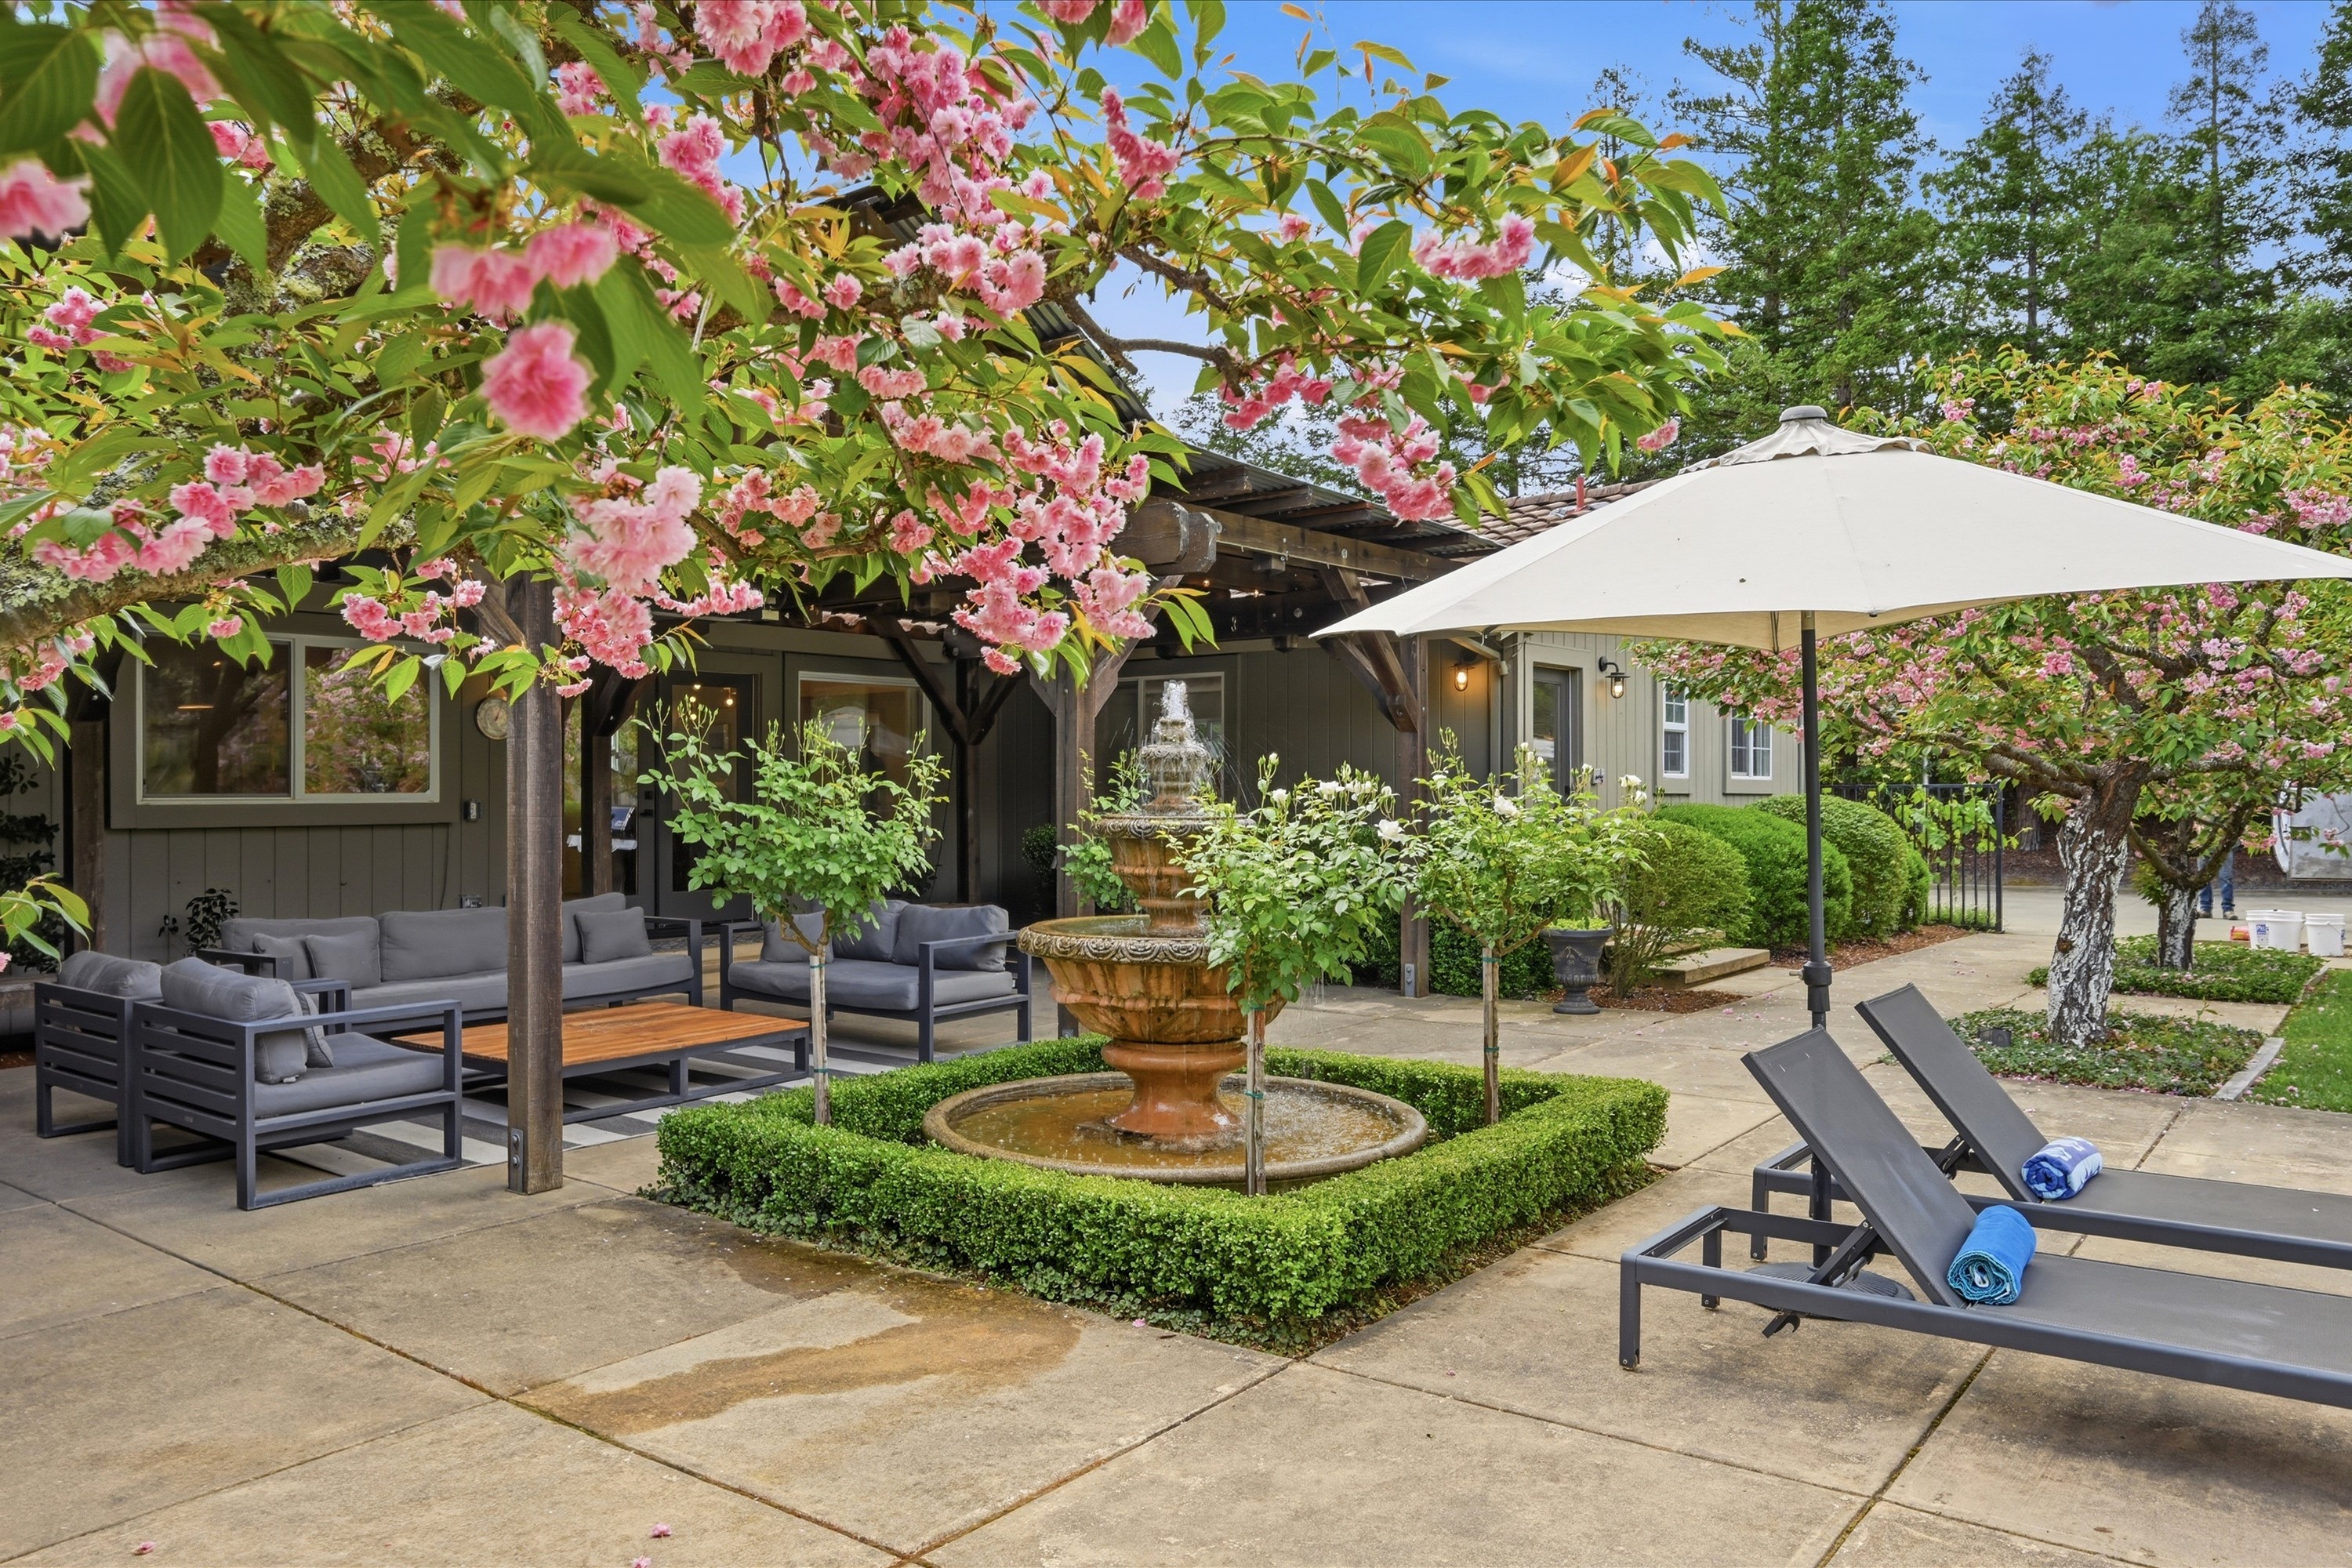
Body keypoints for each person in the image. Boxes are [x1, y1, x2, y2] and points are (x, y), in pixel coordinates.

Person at [2199, 847, 2236, 919]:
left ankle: (2228, 909)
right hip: (2203, 846)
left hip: (2225, 846)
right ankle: (2205, 908)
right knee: (2203, 877)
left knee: (2226, 878)